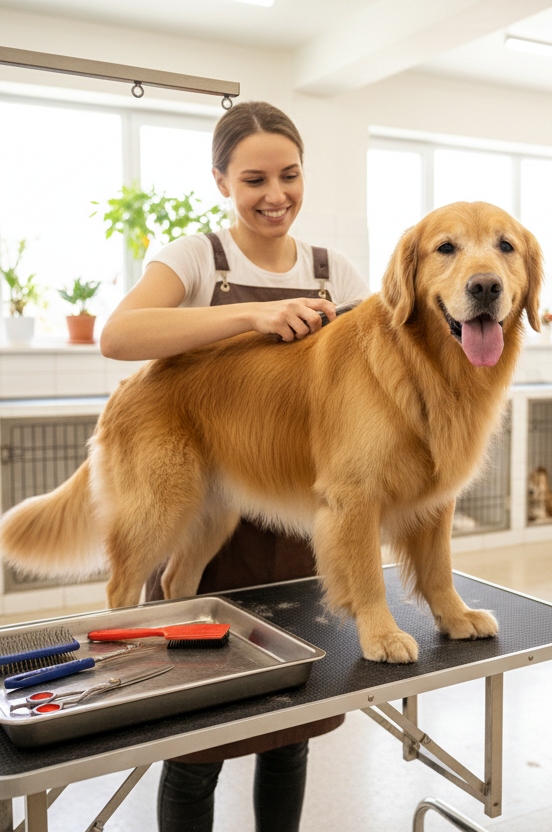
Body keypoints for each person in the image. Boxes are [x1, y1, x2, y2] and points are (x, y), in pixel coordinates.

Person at [100, 100, 370, 832]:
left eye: (289, 174)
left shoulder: (332, 272)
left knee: (290, 737)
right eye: (254, 178)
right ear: (221, 180)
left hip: (299, 528)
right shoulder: (196, 258)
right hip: (207, 530)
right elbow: (119, 334)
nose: (274, 194)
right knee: (196, 748)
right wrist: (251, 317)